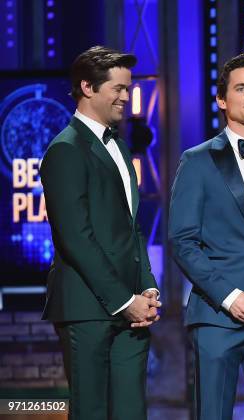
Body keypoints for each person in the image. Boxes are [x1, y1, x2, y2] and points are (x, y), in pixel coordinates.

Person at [169, 52, 244, 420]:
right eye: (242, 88)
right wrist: (228, 295)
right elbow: (183, 240)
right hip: (217, 316)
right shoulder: (197, 160)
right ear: (222, 99)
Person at [40, 45, 161, 420]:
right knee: (90, 411)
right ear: (88, 88)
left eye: (128, 88)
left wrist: (148, 287)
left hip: (133, 310)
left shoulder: (120, 147)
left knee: (131, 412)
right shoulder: (65, 149)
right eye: (118, 89)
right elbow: (75, 237)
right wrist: (124, 301)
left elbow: (131, 226)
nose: (127, 96)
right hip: (88, 309)